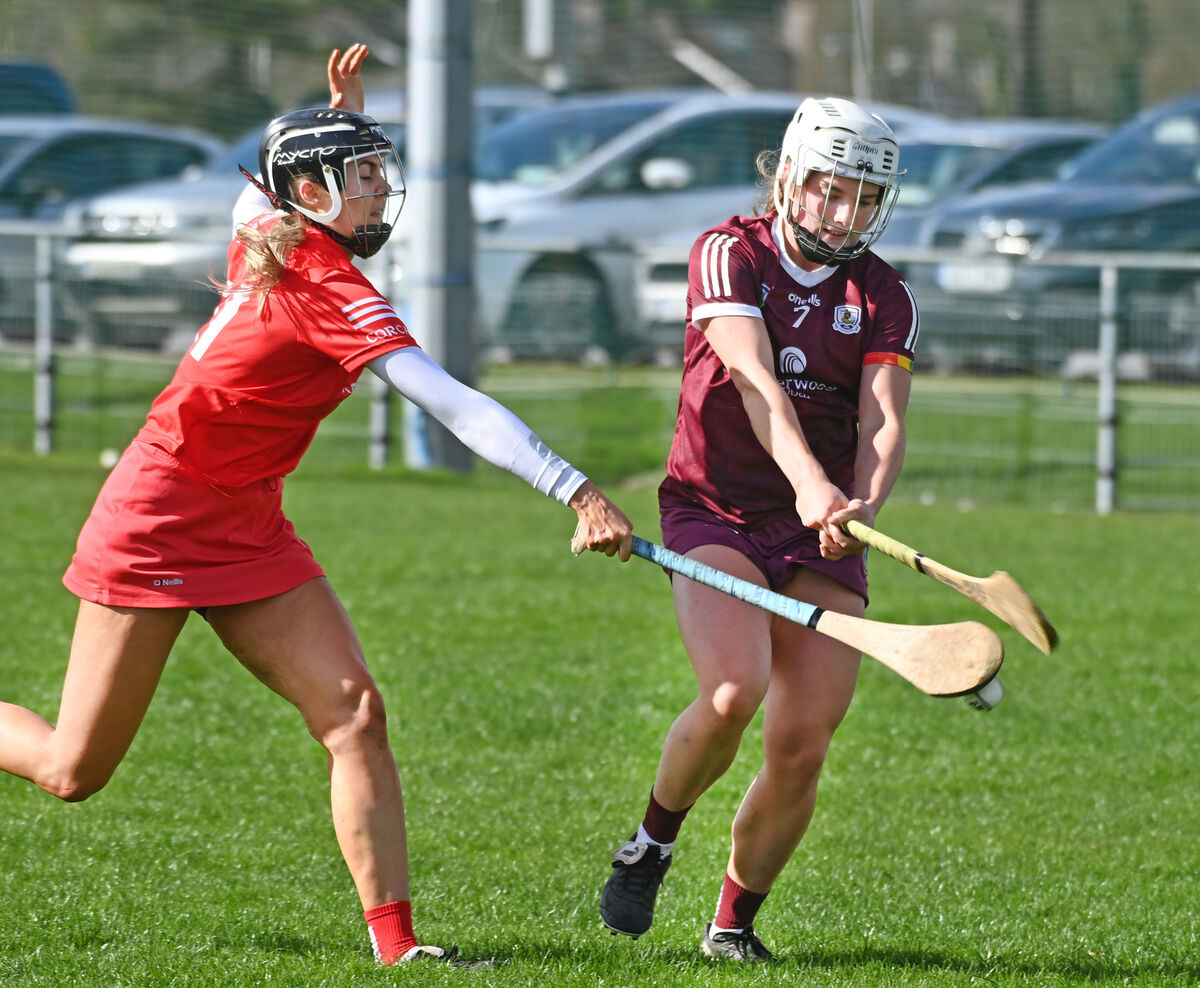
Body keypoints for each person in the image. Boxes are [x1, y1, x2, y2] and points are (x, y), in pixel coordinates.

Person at [0, 45, 632, 968]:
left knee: (355, 715)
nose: (381, 190)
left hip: (247, 517)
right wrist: (575, 489)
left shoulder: (274, 224)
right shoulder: (322, 284)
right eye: (362, 174)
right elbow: (451, 402)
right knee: (71, 772)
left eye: (380, 170)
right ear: (310, 189)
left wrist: (330, 116)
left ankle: (398, 949)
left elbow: (251, 193)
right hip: (159, 516)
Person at [598, 96, 916, 962]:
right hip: (716, 508)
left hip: (817, 529)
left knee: (805, 737)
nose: (842, 213)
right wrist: (814, 483)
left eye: (861, 197)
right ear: (787, 176)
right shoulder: (727, 251)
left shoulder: (882, 292)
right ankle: (652, 844)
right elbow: (754, 381)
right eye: (826, 190)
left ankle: (733, 925)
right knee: (735, 691)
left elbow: (883, 421)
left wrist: (861, 509)